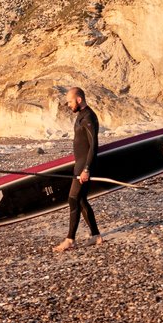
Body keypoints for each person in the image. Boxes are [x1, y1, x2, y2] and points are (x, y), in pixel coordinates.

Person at [54, 86, 102, 253]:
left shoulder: (88, 116)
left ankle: (70, 240)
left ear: (79, 99)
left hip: (84, 165)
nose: (68, 105)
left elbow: (94, 145)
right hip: (80, 164)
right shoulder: (81, 116)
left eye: (70, 101)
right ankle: (96, 235)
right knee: (81, 200)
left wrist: (87, 169)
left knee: (73, 199)